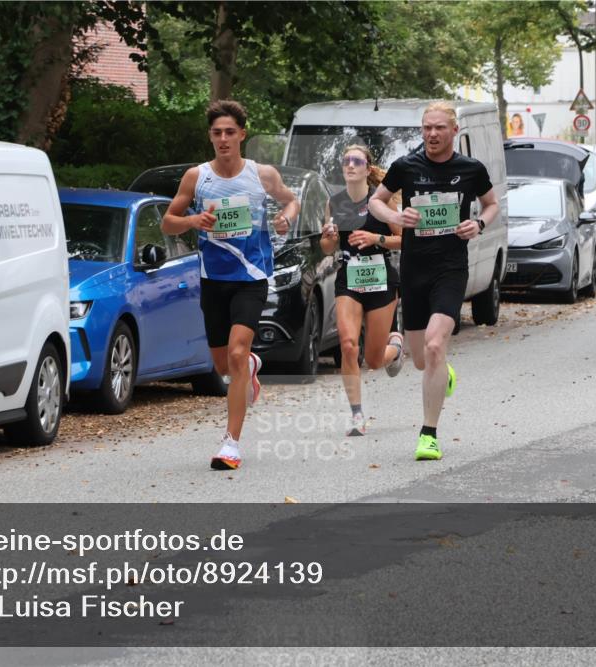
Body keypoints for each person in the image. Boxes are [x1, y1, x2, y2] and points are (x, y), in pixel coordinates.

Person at [162, 100, 299, 471]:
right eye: (216, 133)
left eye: (229, 132)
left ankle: (231, 443)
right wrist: (193, 222)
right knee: (225, 365)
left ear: (242, 134)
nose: (223, 139)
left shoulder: (261, 174)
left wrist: (285, 218)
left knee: (236, 355)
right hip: (213, 280)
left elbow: (291, 200)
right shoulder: (197, 177)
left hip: (251, 278)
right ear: (211, 137)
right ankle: (250, 367)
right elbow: (168, 222)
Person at [368, 101, 499, 461]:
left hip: (451, 268)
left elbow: (491, 204)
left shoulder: (470, 169)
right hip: (414, 268)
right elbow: (375, 203)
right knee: (422, 359)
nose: (432, 134)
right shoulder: (405, 167)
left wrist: (479, 224)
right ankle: (443, 373)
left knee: (436, 345)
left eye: (439, 127)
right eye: (427, 127)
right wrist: (396, 214)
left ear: (454, 131)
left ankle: (428, 434)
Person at [319, 145, 404, 436]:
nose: (350, 165)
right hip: (349, 279)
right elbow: (327, 248)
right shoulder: (335, 202)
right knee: (347, 345)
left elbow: (403, 239)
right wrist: (328, 238)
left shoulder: (381, 201)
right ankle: (357, 415)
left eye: (357, 161)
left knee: (374, 359)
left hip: (381, 277)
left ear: (367, 169)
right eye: (346, 161)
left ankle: (396, 349)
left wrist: (375, 237)